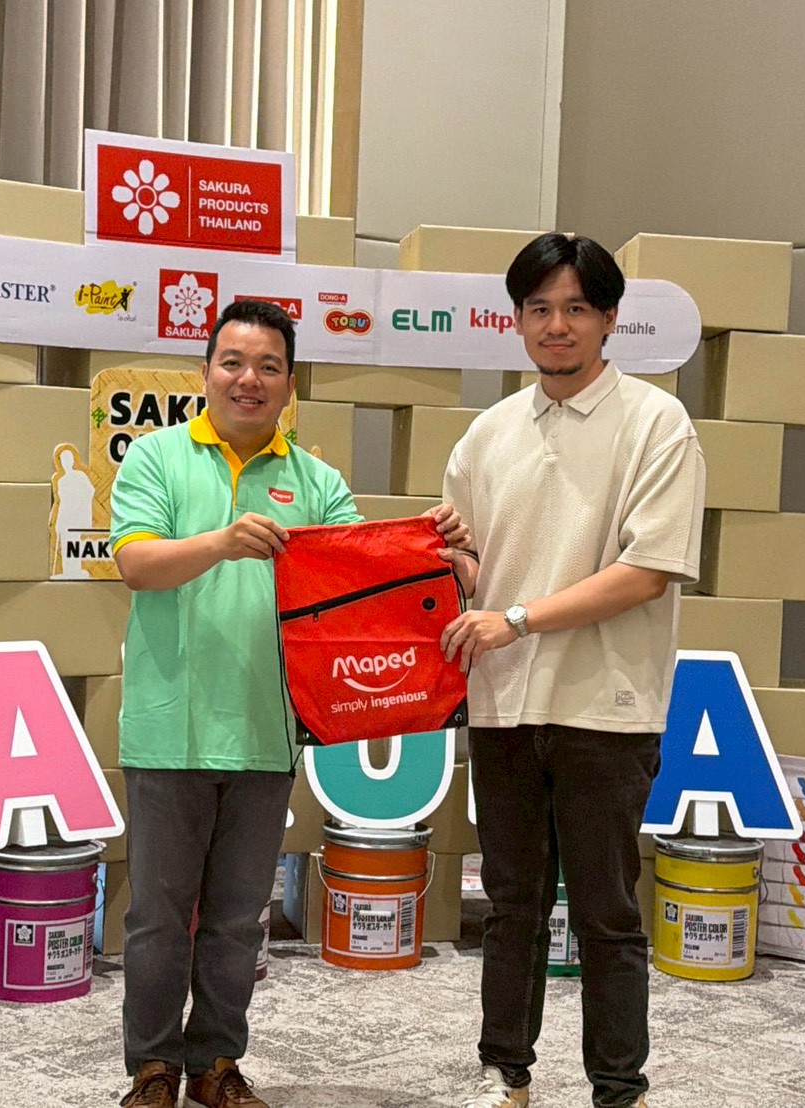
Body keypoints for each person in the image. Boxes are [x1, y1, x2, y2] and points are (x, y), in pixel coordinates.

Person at [109, 298, 468, 1108]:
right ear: (206, 373)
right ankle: (151, 1068)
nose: (249, 379)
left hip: (269, 732)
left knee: (240, 919)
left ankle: (216, 1065)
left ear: (289, 383)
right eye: (233, 362)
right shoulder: (157, 458)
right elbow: (136, 564)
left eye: (268, 366)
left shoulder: (314, 481)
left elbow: (364, 575)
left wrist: (435, 543)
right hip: (169, 729)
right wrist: (220, 542)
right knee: (157, 918)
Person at [439, 233, 705, 1108]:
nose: (557, 326)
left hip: (607, 708)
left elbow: (647, 571)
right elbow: (479, 571)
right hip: (504, 704)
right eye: (539, 309)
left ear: (609, 318)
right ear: (516, 321)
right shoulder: (486, 435)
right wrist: (451, 564)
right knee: (509, 905)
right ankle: (504, 1075)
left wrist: (515, 618)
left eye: (576, 308)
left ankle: (617, 1089)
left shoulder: (656, 423)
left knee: (606, 913)